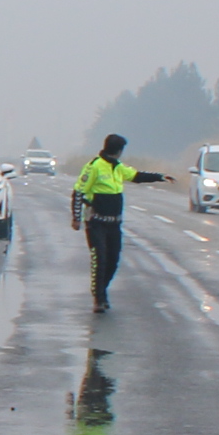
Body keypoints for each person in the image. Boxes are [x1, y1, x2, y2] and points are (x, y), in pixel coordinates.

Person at [68, 133, 171, 312]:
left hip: (114, 224)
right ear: (118, 151)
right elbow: (78, 191)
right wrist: (76, 217)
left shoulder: (118, 167)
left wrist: (160, 177)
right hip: (96, 222)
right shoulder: (94, 167)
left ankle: (102, 290)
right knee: (99, 259)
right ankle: (98, 299)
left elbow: (136, 176)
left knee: (113, 260)